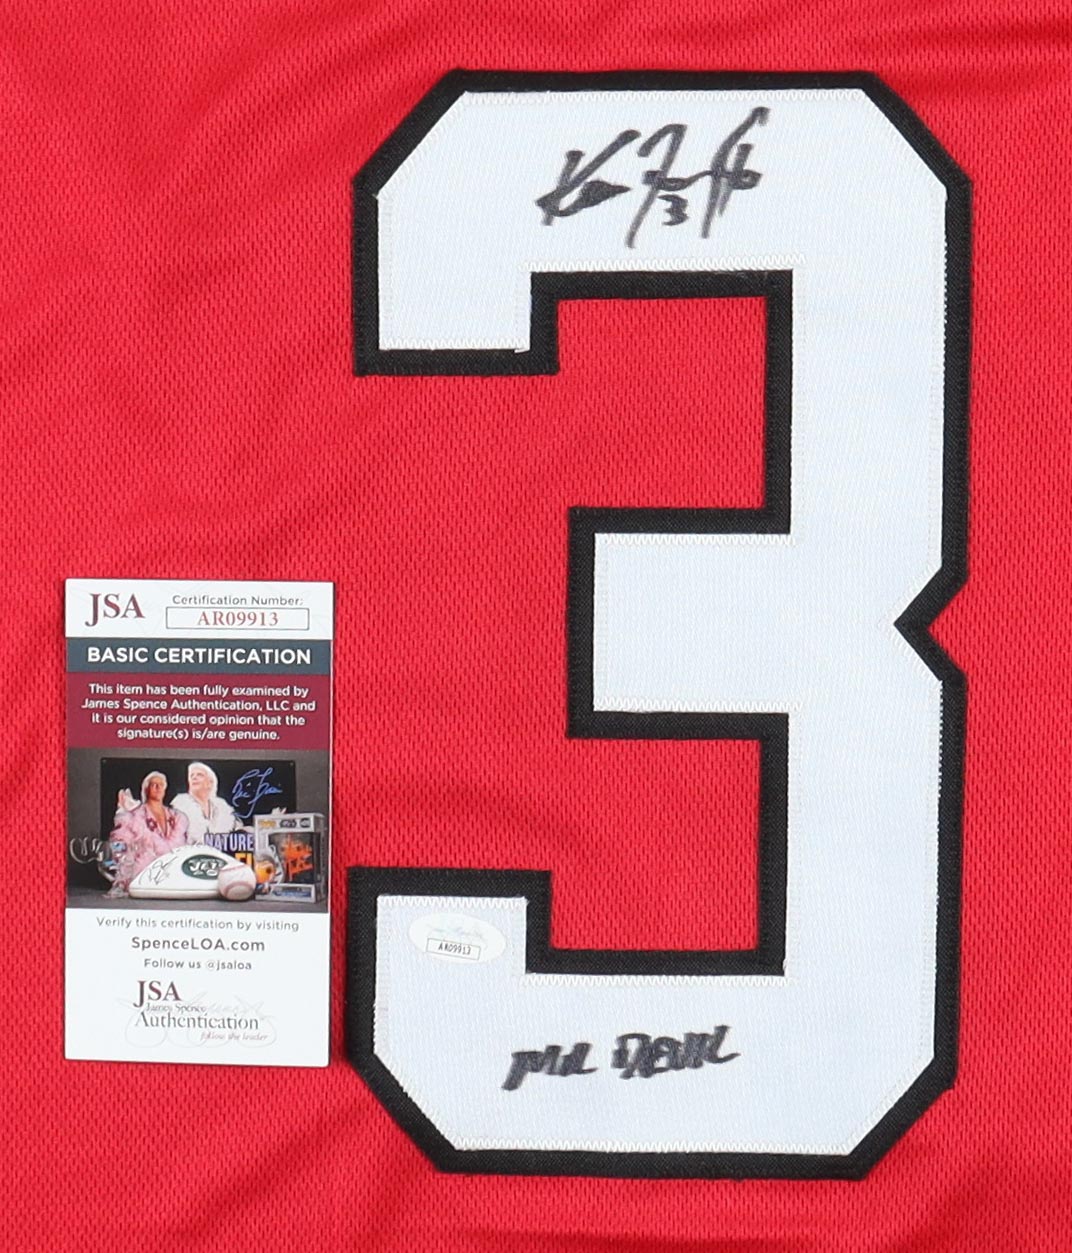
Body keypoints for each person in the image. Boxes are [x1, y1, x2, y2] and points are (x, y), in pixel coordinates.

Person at [107, 771, 189, 896]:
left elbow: (179, 845)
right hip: (143, 875)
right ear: (146, 789)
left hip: (172, 875)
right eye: (153, 784)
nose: (158, 787)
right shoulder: (134, 817)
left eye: (161, 784)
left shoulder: (176, 817)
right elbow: (122, 846)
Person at [170, 761, 240, 844]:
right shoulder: (179, 806)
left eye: (199, 775)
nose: (194, 778)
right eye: (191, 775)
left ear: (210, 782)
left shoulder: (223, 809)